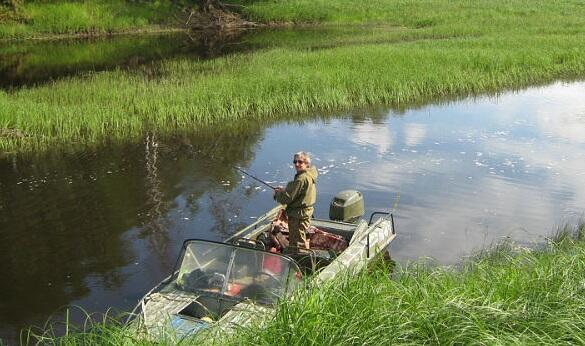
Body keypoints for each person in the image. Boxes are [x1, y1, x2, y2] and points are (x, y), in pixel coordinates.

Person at [273, 151, 318, 252]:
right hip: (305, 213)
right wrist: (284, 190)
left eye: (300, 162)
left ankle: (300, 262)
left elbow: (287, 198)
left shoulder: (301, 179)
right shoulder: (309, 174)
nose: (297, 164)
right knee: (299, 239)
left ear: (306, 163)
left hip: (298, 216)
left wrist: (277, 194)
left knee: (297, 244)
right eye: (295, 162)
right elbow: (298, 193)